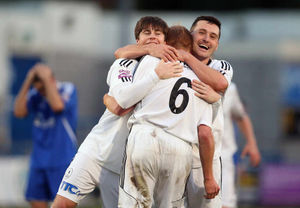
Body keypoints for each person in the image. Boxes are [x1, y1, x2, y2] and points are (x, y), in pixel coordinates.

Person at [52, 16, 182, 208]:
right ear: (137, 40)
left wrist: (112, 100)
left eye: (158, 33)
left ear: (166, 40)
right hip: (96, 150)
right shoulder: (125, 64)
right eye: (147, 33)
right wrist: (153, 77)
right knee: (62, 204)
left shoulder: (173, 73)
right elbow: (121, 103)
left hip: (128, 165)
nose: (153, 37)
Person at [114, 16, 233, 208]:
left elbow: (124, 94)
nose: (206, 39)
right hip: (182, 148)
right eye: (201, 33)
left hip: (152, 138)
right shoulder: (201, 83)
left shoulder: (152, 61)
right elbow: (205, 132)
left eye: (212, 36)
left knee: (134, 203)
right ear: (191, 36)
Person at [14, 64, 78, 208]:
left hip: (62, 158)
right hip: (39, 159)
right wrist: (27, 81)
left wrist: (46, 79)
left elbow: (57, 106)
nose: (40, 91)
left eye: (42, 87)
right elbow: (18, 112)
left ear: (51, 80)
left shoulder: (67, 88)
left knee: (62, 204)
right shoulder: (34, 94)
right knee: (36, 200)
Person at [221, 82, 261, 208]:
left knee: (224, 204)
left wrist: (252, 143)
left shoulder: (228, 87)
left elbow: (241, 116)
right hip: (193, 156)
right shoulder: (186, 79)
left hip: (223, 157)